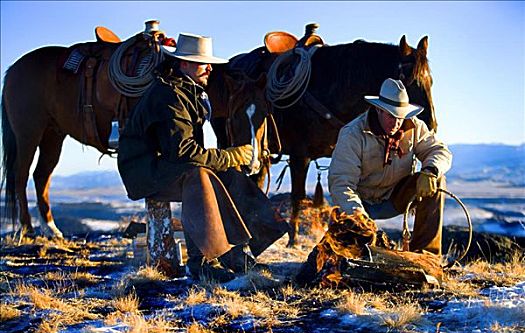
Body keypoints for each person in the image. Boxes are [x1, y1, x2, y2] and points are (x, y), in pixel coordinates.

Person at [118, 33, 290, 282]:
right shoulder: (170, 96)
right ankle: (202, 262)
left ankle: (243, 246)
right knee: (199, 176)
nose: (209, 67)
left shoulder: (186, 91)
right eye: (202, 62)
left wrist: (228, 161)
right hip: (145, 172)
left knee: (227, 173)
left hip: (163, 165)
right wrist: (232, 155)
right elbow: (183, 152)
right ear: (184, 64)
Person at [328, 78, 452, 255]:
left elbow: (438, 150)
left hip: (395, 198)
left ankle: (426, 256)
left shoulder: (415, 127)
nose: (396, 123)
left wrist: (430, 170)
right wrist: (360, 218)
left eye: (401, 118)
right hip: (359, 203)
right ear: (379, 109)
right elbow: (341, 184)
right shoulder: (353, 134)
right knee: (345, 254)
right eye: (391, 116)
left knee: (437, 179)